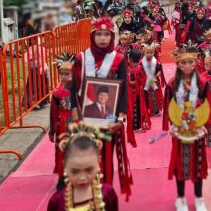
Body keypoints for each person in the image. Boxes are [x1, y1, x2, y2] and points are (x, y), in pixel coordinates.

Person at [68, 15, 134, 198]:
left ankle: (105, 196)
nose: (103, 38)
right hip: (84, 118)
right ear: (92, 36)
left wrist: (120, 117)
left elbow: (123, 89)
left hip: (109, 119)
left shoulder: (119, 59)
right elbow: (73, 87)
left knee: (106, 159)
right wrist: (74, 113)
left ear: (112, 37)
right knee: (85, 159)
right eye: (99, 34)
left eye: (107, 34)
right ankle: (87, 198)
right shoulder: (81, 58)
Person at [163, 42, 210, 211]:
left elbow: (206, 104)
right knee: (180, 164)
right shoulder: (171, 84)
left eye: (191, 62)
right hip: (179, 129)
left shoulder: (202, 83)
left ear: (196, 62)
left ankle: (199, 198)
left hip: (197, 129)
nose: (188, 65)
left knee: (198, 164)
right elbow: (168, 107)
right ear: (177, 64)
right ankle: (181, 198)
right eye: (184, 62)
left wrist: (204, 124)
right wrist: (172, 126)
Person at [45, 123, 120, 211]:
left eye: (89, 170)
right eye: (75, 171)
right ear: (65, 166)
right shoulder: (57, 201)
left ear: (98, 164)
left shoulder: (108, 193)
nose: (82, 178)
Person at [140, 42, 166, 118]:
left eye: (151, 52)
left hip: (154, 81)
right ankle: (147, 109)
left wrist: (158, 73)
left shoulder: (156, 61)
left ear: (154, 53)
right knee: (146, 96)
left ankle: (156, 111)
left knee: (154, 96)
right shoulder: (141, 62)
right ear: (144, 53)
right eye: (147, 52)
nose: (149, 54)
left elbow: (159, 69)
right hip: (145, 80)